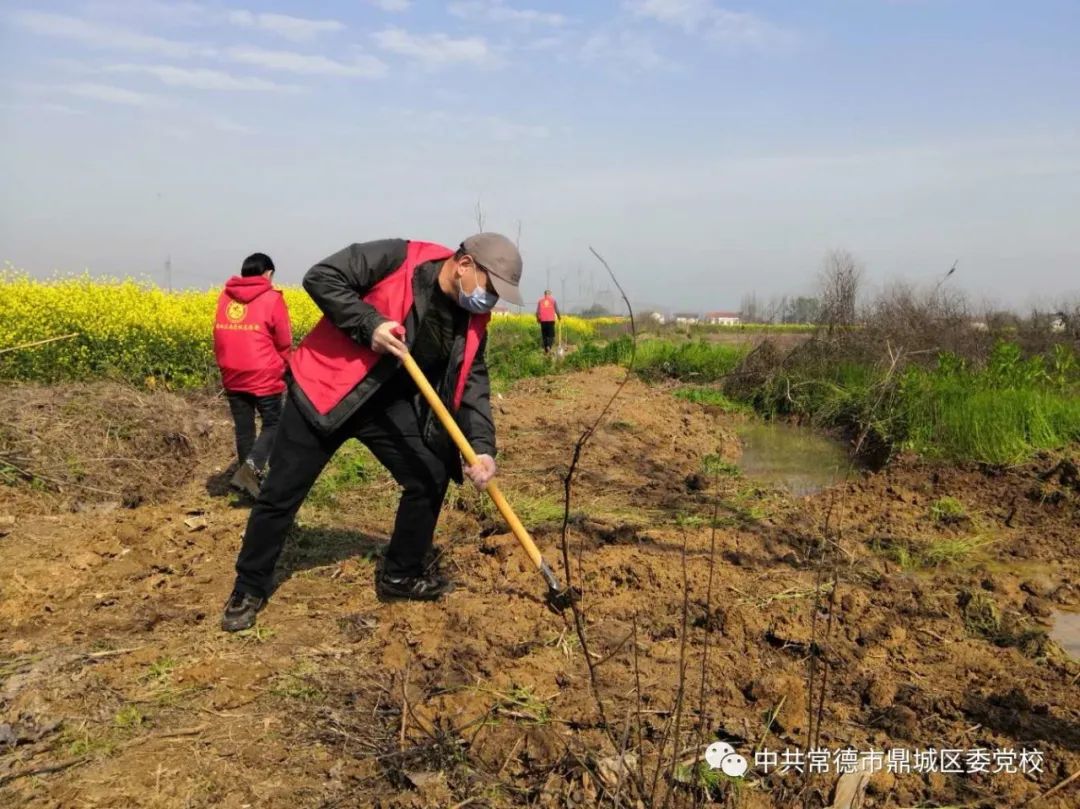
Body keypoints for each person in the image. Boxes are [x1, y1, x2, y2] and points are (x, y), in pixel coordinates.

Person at [221, 233, 524, 632]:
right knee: (281, 493)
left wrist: (483, 448)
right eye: (490, 289)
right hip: (325, 389)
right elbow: (321, 277)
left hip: (383, 403)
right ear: (465, 264)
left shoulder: (471, 318)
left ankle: (401, 573)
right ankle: (249, 586)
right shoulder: (399, 258)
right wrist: (370, 324)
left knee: (429, 474)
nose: (490, 301)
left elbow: (474, 383)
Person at [213, 252, 292, 499]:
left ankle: (247, 481)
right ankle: (250, 470)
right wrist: (287, 366)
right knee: (274, 424)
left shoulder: (225, 296)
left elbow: (218, 334)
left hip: (232, 372)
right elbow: (284, 340)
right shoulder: (271, 297)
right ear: (268, 273)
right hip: (263, 374)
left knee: (244, 429)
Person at [536, 289, 560, 354]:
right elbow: (557, 310)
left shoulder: (540, 301)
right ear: (550, 294)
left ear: (545, 294)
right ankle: (549, 346)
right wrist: (559, 317)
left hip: (543, 320)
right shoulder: (553, 300)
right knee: (551, 336)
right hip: (551, 320)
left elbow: (537, 312)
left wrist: (538, 319)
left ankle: (546, 350)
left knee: (544, 336)